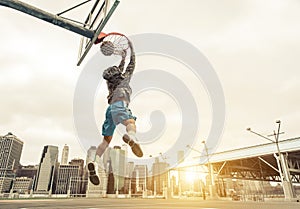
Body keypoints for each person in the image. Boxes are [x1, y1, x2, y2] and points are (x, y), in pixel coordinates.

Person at [88, 40, 143, 185]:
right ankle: (131, 137)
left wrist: (123, 57)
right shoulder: (124, 79)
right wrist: (131, 48)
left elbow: (120, 68)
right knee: (130, 122)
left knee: (106, 141)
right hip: (120, 104)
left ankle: (93, 162)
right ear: (119, 74)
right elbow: (132, 63)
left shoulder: (110, 82)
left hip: (109, 109)